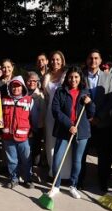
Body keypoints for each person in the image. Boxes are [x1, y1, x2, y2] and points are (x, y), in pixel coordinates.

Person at [50, 66, 95, 199]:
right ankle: (56, 186)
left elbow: (91, 113)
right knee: (57, 159)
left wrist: (90, 103)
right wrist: (69, 125)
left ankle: (73, 185)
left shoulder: (86, 92)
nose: (73, 79)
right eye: (71, 77)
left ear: (80, 78)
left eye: (76, 77)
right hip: (63, 130)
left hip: (82, 132)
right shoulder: (60, 91)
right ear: (67, 78)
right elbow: (55, 111)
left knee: (77, 161)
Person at [80, 49, 112, 191]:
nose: (93, 61)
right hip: (84, 121)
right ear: (86, 60)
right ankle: (79, 180)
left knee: (103, 155)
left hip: (102, 122)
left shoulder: (108, 77)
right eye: (90, 58)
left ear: (100, 61)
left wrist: (99, 117)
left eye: (96, 58)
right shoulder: (80, 76)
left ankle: (103, 181)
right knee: (82, 153)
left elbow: (111, 98)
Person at [2, 76, 34, 189]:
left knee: (26, 159)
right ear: (10, 87)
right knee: (12, 160)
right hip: (8, 136)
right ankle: (14, 179)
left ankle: (28, 179)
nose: (16, 89)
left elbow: (33, 118)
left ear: (23, 87)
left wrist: (32, 131)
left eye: (18, 86)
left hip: (24, 137)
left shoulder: (29, 100)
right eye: (13, 86)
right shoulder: (4, 100)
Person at [42, 50, 67, 178]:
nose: (55, 62)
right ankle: (54, 172)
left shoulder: (67, 75)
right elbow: (46, 97)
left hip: (64, 113)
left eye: (58, 59)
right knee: (51, 143)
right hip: (50, 114)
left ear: (62, 61)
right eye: (53, 59)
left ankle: (65, 174)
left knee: (63, 143)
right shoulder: (47, 77)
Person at [25, 72, 46, 166]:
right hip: (25, 126)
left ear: (38, 82)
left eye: (34, 81)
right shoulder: (23, 93)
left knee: (36, 148)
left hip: (37, 126)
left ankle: (35, 165)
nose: (32, 83)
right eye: (30, 80)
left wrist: (36, 127)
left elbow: (43, 113)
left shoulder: (41, 95)